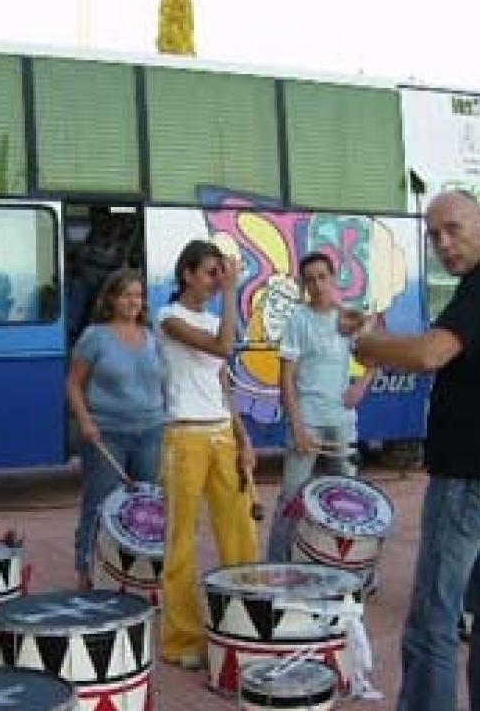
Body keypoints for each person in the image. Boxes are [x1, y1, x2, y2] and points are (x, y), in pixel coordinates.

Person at [351, 190, 480, 711]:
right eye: (434, 235)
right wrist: (379, 336)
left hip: (468, 478)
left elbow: (430, 353)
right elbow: (450, 352)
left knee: (432, 620)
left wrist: (367, 346)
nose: (445, 244)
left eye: (454, 229)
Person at [156, 239, 259, 670]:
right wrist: (233, 291)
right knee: (181, 539)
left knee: (239, 532)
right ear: (187, 274)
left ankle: (243, 622)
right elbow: (222, 348)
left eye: (222, 273)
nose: (218, 281)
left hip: (221, 433)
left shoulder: (217, 320)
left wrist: (244, 438)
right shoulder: (168, 317)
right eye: (211, 272)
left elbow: (223, 383)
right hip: (185, 436)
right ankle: (181, 638)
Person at [267, 252, 375, 563]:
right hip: (308, 420)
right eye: (310, 279)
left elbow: (375, 354)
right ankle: (277, 564)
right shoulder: (298, 319)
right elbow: (286, 378)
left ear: (333, 278)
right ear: (303, 284)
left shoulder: (348, 319)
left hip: (342, 421)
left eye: (322, 277)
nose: (317, 285)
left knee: (348, 497)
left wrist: (361, 384)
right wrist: (297, 427)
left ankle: (349, 565)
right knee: (292, 496)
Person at [66, 268, 165, 590]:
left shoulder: (151, 336)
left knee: (147, 507)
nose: (133, 302)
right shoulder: (95, 336)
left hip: (151, 431)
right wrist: (85, 421)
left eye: (138, 295)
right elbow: (73, 384)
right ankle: (86, 569)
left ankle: (137, 570)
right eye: (126, 295)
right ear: (110, 299)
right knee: (100, 503)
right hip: (107, 434)